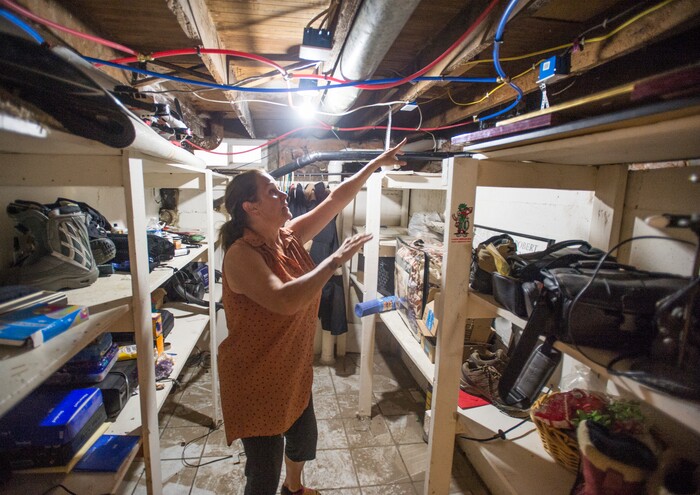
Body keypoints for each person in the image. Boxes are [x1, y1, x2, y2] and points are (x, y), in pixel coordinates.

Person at [217, 138, 407, 495]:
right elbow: (284, 299)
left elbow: (334, 201)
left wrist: (375, 163)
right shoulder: (241, 255)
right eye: (273, 192)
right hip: (255, 377)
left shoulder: (285, 238)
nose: (284, 195)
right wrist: (333, 261)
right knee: (263, 471)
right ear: (250, 207)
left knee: (303, 438)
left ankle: (294, 489)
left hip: (290, 368)